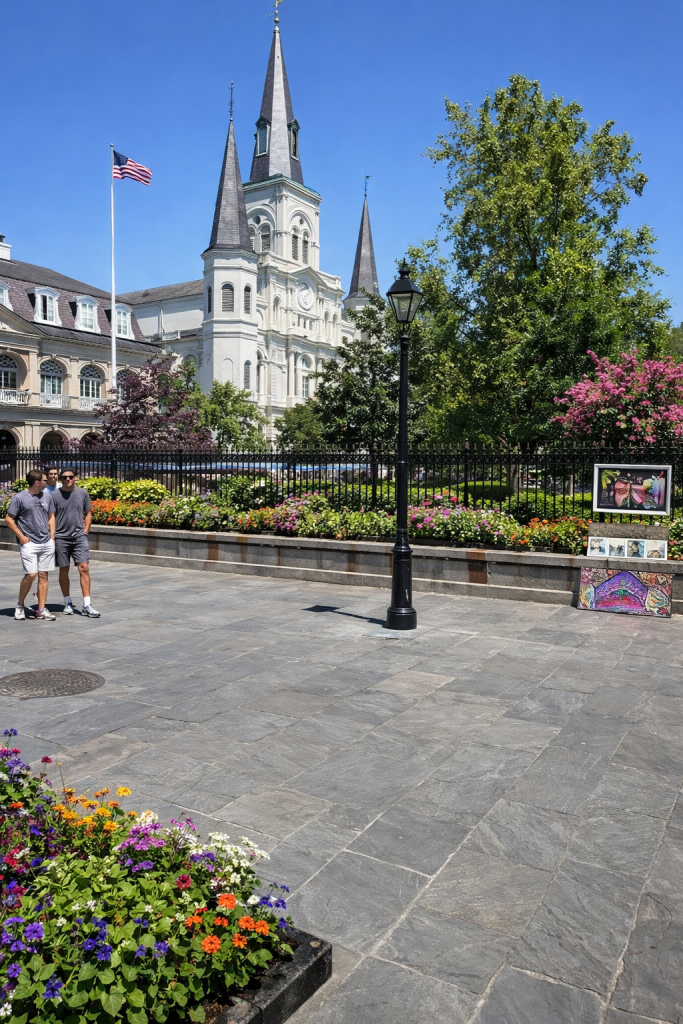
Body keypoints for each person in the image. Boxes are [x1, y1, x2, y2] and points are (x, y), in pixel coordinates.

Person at [5, 469, 57, 621]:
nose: (48, 481)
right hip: (29, 543)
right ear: (37, 482)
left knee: (43, 574)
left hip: (46, 542)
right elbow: (9, 519)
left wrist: (52, 536)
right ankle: (20, 605)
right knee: (31, 574)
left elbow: (51, 516)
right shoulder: (19, 497)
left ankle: (41, 609)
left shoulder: (47, 496)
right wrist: (21, 537)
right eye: (45, 480)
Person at [53, 467, 100, 617]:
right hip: (61, 537)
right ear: (61, 479)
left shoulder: (82, 493)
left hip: (79, 537)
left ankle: (87, 604)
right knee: (64, 569)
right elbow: (51, 516)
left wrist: (86, 530)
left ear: (75, 478)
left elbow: (88, 513)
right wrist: (53, 535)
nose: (67, 479)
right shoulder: (54, 495)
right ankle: (67, 602)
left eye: (70, 476)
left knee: (84, 567)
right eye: (64, 477)